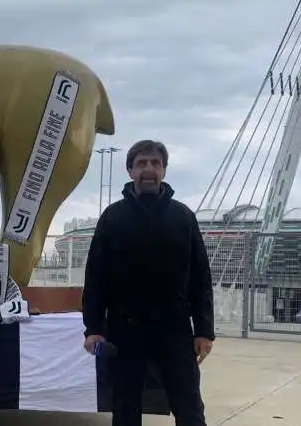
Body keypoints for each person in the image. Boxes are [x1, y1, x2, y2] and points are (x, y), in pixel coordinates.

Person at [81, 139, 214, 426]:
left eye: (155, 163)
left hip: (175, 331)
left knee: (189, 408)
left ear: (164, 170)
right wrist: (93, 328)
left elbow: (201, 278)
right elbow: (95, 278)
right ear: (130, 171)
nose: (148, 169)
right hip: (125, 332)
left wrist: (204, 330)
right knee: (125, 408)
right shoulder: (112, 218)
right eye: (141, 163)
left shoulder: (183, 218)